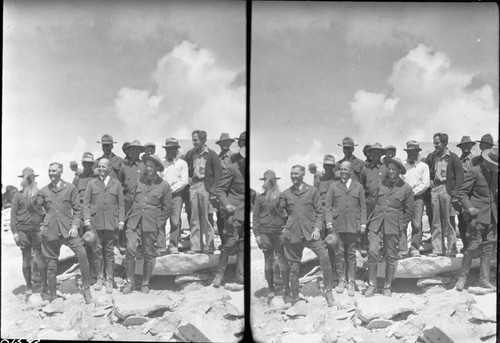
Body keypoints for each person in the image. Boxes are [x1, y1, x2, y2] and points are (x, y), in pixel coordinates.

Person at [278, 165, 335, 306]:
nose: (293, 176)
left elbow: (320, 212)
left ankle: (329, 292)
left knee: (325, 258)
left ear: (303, 175)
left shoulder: (312, 191)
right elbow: (279, 212)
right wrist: (284, 227)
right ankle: (295, 298)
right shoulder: (286, 193)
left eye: (296, 173)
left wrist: (317, 229)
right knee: (294, 267)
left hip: (311, 233)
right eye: (291, 173)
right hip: (293, 235)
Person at [37, 162, 93, 303]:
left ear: (60, 172)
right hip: (51, 232)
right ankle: (53, 296)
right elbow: (36, 209)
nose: (51, 173)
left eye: (54, 171)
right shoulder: (43, 191)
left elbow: (78, 210)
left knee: (82, 255)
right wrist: (42, 224)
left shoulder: (70, 188)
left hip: (69, 231)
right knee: (51, 265)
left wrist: (75, 226)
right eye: (49, 171)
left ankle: (87, 290)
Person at [122, 154, 172, 294]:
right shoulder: (139, 181)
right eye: (147, 166)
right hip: (134, 220)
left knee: (149, 253)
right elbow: (132, 200)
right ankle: (130, 282)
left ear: (157, 168)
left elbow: (167, 208)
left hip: (151, 223)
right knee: (130, 249)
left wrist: (158, 223)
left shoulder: (164, 185)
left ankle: (145, 283)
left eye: (152, 166)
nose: (149, 169)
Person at [365, 157, 414, 297]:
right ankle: (372, 285)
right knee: (373, 251)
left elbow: (409, 211)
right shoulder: (381, 184)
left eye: (394, 169)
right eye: (389, 169)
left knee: (391, 256)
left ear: (399, 171)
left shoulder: (406, 188)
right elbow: (374, 202)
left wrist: (401, 226)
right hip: (376, 223)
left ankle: (387, 286)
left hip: (393, 226)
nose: (391, 171)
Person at [456, 145, 497, 291]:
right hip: (476, 217)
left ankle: (484, 280)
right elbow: (462, 194)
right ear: (487, 161)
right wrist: (469, 207)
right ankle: (462, 279)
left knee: (488, 248)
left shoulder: (496, 173)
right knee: (472, 247)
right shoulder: (475, 172)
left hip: (492, 217)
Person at [325, 161, 367, 297]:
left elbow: (363, 207)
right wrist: (329, 222)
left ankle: (351, 281)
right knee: (339, 254)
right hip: (338, 225)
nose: (343, 171)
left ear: (351, 171)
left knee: (351, 255)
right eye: (341, 169)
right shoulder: (333, 186)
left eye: (345, 169)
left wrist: (363, 223)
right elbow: (328, 206)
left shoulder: (358, 187)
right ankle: (342, 280)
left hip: (353, 226)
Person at [83, 159, 125, 294]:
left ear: (109, 169)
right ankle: (100, 278)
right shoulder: (91, 183)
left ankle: (109, 279)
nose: (101, 168)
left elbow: (121, 204)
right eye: (99, 166)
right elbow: (86, 203)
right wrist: (87, 219)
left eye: (104, 166)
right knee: (97, 251)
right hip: (96, 222)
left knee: (109, 252)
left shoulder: (116, 184)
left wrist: (121, 220)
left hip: (111, 223)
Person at [425, 133, 464, 257]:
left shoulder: (453, 158)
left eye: (437, 143)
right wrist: (430, 180)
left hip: (447, 189)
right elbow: (428, 171)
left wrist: (455, 193)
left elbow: (460, 176)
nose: (435, 145)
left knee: (449, 220)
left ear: (445, 143)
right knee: (436, 220)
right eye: (434, 142)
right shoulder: (432, 157)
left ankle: (452, 249)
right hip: (435, 189)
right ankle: (437, 249)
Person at [183, 130, 222, 254]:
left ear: (203, 140)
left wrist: (213, 190)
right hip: (194, 186)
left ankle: (210, 246)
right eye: (193, 140)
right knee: (194, 217)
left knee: (207, 217)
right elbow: (185, 168)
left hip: (206, 187)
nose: (194, 142)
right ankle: (195, 247)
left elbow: (218, 173)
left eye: (196, 140)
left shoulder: (212, 155)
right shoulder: (190, 154)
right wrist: (188, 178)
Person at [11, 167, 47, 296]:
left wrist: (45, 225)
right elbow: (13, 216)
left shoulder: (40, 194)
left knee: (40, 257)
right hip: (23, 231)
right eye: (26, 179)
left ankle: (44, 284)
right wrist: (15, 233)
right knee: (26, 258)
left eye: (30, 179)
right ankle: (29, 285)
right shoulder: (17, 195)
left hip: (37, 231)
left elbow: (47, 211)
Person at [253, 170, 290, 298]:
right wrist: (257, 235)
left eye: (271, 181)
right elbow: (255, 218)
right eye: (267, 181)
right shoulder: (259, 198)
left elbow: (288, 214)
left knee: (283, 260)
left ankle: (286, 287)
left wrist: (287, 228)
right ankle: (270, 287)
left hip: (279, 233)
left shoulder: (281, 197)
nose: (269, 184)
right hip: (265, 234)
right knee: (268, 261)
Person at [213, 152, 246, 287]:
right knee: (230, 241)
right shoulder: (232, 169)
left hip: (245, 212)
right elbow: (220, 191)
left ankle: (240, 276)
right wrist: (227, 205)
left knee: (243, 244)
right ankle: (219, 275)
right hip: (232, 212)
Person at [401, 141, 430, 258]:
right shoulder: (402, 166)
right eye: (409, 152)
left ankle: (414, 248)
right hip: (403, 199)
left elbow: (426, 183)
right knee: (402, 223)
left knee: (417, 224)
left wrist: (412, 193)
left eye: (414, 152)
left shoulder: (423, 166)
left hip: (418, 198)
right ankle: (402, 249)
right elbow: (400, 181)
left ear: (418, 153)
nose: (411, 154)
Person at [160, 138, 188, 255]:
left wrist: (170, 190)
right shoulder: (161, 163)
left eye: (172, 149)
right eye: (168, 149)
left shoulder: (182, 163)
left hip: (176, 195)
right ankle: (161, 246)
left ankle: (173, 246)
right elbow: (158, 178)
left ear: (176, 150)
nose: (170, 151)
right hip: (162, 196)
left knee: (175, 221)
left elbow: (184, 181)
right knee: (161, 221)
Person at [73, 152, 98, 283]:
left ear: (93, 164)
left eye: (90, 163)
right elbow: (73, 195)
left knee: (94, 243)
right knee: (82, 243)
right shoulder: (78, 178)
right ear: (82, 164)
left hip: (94, 212)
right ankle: (85, 271)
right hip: (81, 213)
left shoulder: (97, 176)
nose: (88, 165)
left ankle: (95, 272)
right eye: (85, 163)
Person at [360, 143, 388, 255]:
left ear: (381, 154)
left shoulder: (385, 168)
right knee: (365, 223)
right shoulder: (365, 169)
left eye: (378, 152)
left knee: (382, 224)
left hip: (381, 201)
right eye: (374, 152)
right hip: (368, 201)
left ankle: (381, 247)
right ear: (370, 154)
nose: (376, 154)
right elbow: (361, 185)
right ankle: (364, 246)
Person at [119, 140, 146, 253]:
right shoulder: (124, 166)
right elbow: (120, 182)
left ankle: (140, 244)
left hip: (140, 198)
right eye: (132, 149)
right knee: (124, 220)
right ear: (129, 151)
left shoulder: (144, 165)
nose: (134, 151)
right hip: (127, 197)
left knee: (141, 221)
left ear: (140, 151)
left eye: (137, 149)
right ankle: (124, 244)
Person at [318, 154, 340, 288]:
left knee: (334, 246)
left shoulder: (337, 180)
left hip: (333, 216)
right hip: (321, 217)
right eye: (326, 166)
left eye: (331, 166)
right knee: (322, 248)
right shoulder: (319, 181)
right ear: (323, 166)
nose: (328, 168)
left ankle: (336, 276)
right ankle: (327, 276)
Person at [456, 136, 477, 252]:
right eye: (463, 145)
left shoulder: (475, 160)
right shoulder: (458, 161)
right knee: (461, 222)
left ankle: (473, 247)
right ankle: (465, 245)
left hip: (472, 195)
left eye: (467, 145)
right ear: (461, 147)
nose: (465, 147)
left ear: (471, 146)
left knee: (473, 222)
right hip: (461, 195)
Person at [215, 132, 236, 247]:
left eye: (226, 142)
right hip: (220, 191)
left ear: (230, 143)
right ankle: (224, 242)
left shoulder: (234, 157)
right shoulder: (217, 158)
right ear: (219, 144)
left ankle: (232, 242)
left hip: (231, 191)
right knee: (220, 217)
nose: (224, 144)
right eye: (222, 142)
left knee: (231, 217)